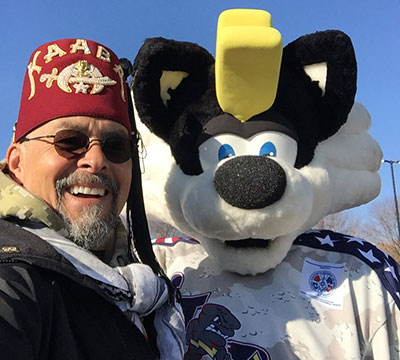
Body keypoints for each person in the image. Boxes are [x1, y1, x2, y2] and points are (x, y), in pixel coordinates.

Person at [0, 38, 184, 360]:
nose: (96, 160)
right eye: (70, 141)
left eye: (116, 146)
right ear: (17, 161)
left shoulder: (136, 286)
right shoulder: (15, 275)